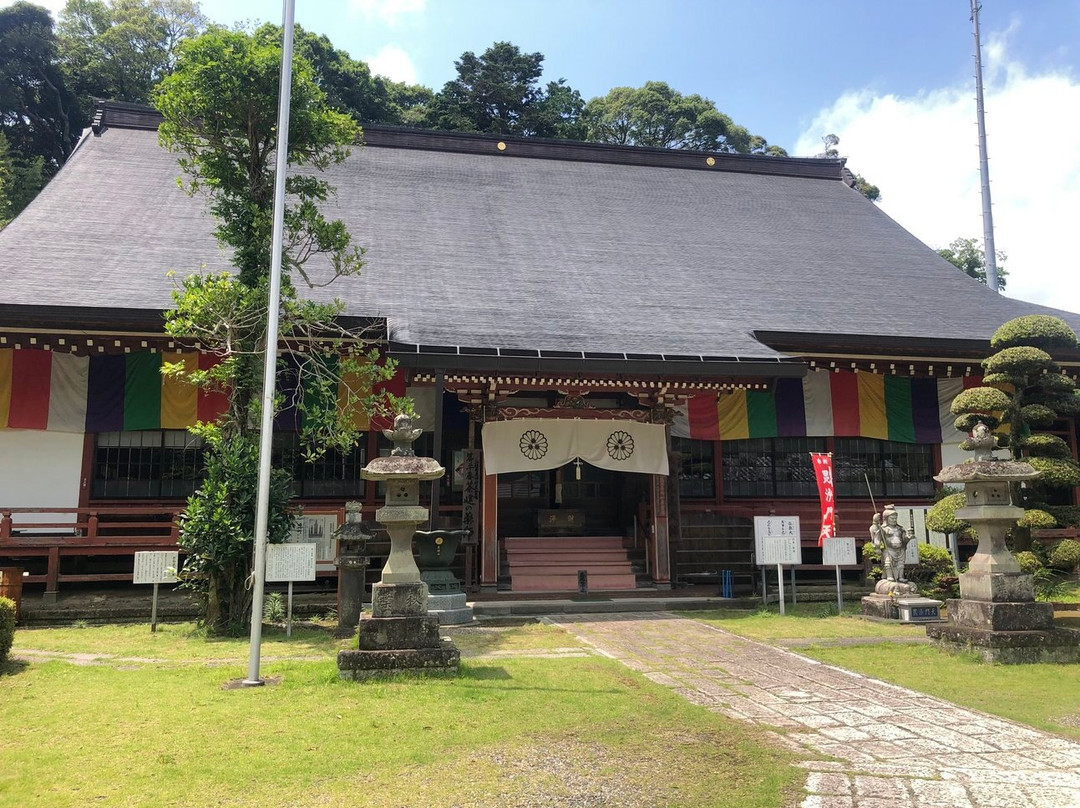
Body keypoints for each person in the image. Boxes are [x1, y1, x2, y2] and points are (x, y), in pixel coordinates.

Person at [870, 505, 914, 583]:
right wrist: (875, 522)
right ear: (886, 519)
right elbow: (875, 532)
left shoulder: (900, 528)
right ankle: (889, 576)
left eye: (895, 518)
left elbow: (904, 540)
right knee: (888, 563)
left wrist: (908, 537)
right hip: (889, 549)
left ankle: (900, 577)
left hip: (900, 549)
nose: (894, 520)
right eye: (892, 518)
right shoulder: (884, 529)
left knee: (901, 564)